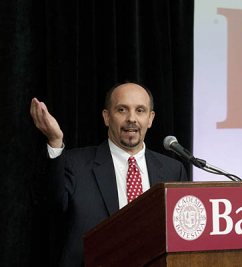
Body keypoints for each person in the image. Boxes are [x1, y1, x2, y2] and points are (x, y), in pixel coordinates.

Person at [30, 82, 189, 267]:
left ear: (150, 118)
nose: (132, 118)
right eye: (122, 110)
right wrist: (55, 141)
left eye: (140, 110)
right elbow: (50, 206)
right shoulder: (76, 163)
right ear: (107, 117)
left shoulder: (173, 170)